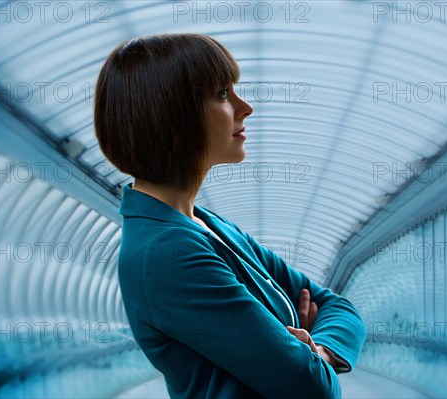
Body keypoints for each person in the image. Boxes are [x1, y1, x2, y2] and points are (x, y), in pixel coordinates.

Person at [94, 33, 366, 399]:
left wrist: (316, 351)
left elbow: (337, 306)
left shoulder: (207, 225)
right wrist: (304, 356)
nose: (245, 107)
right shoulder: (168, 254)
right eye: (223, 94)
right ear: (173, 114)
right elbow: (311, 387)